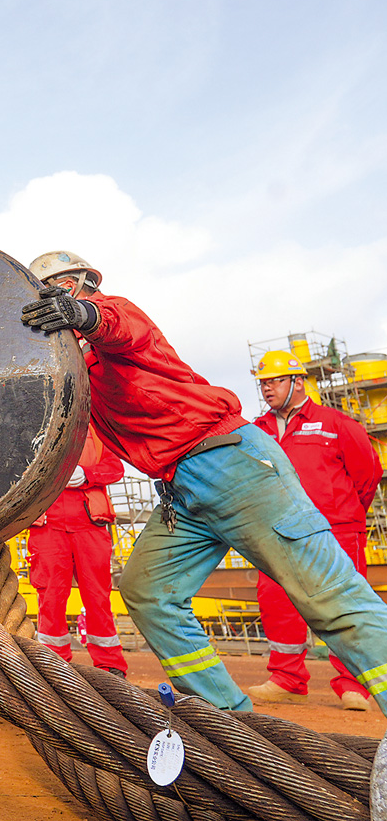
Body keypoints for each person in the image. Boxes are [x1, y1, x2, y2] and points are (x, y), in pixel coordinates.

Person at [21, 250, 387, 712]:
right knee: (148, 591)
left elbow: (116, 321)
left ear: (79, 286)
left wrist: (83, 314)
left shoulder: (114, 320)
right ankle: (228, 720)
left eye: (62, 292)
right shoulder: (77, 367)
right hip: (181, 489)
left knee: (327, 597)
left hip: (230, 464)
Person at [247, 350, 383, 711]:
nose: (267, 388)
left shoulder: (335, 423)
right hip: (278, 532)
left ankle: (354, 684)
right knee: (276, 602)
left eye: (275, 380)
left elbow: (368, 473)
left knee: (343, 605)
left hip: (335, 530)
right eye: (263, 382)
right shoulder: (256, 431)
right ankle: (287, 678)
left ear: (298, 381)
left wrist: (345, 512)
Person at [26, 423, 128, 677]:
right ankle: (53, 663)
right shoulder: (30, 427)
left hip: (88, 525)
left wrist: (87, 474)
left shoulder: (98, 431)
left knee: (97, 597)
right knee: (50, 598)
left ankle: (110, 665)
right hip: (48, 524)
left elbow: (115, 468)